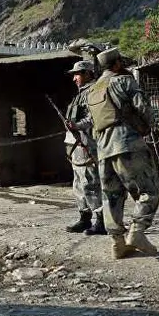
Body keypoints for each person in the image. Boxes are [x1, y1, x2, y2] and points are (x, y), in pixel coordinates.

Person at [88, 47, 159, 259]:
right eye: (121, 61)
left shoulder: (92, 90)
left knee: (111, 196)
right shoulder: (124, 81)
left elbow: (94, 124)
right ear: (117, 63)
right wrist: (150, 126)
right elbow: (143, 108)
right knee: (149, 191)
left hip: (103, 148)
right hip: (127, 144)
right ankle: (137, 232)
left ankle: (118, 243)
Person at [63, 60, 106, 236]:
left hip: (88, 144)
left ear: (88, 74)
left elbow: (93, 118)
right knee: (78, 184)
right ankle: (84, 217)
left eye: (77, 74)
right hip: (75, 146)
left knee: (91, 184)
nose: (74, 78)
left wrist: (77, 126)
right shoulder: (80, 94)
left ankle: (101, 221)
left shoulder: (94, 92)